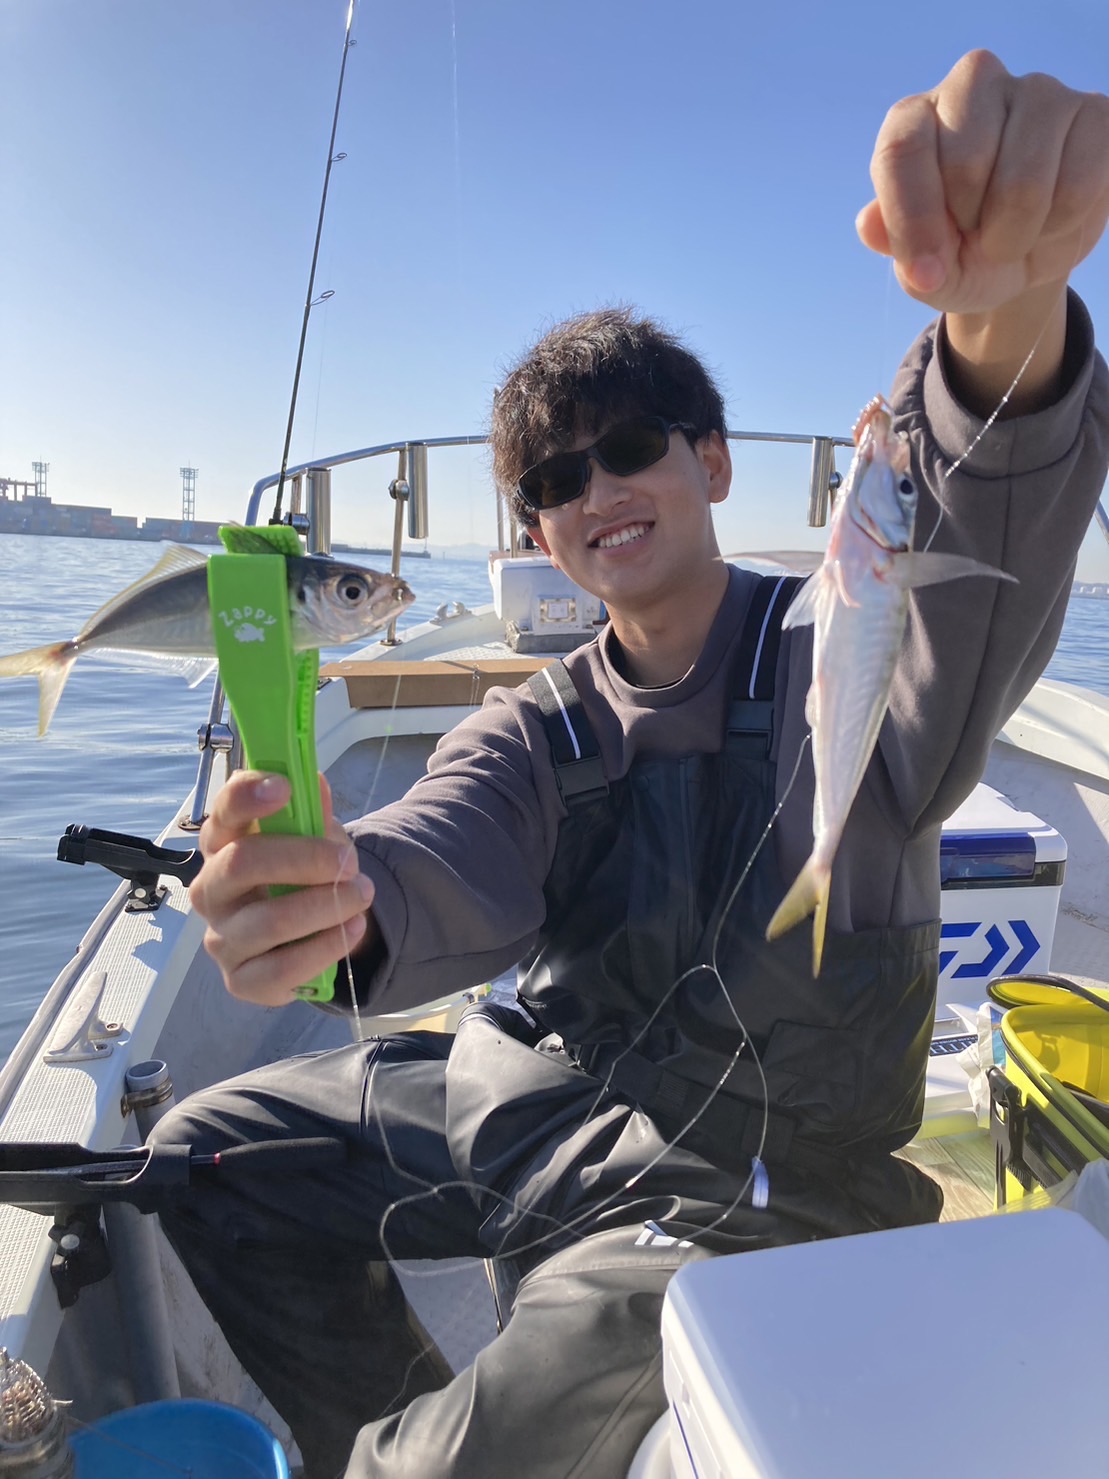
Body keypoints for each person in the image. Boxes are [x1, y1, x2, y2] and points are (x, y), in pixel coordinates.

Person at [153, 50, 1109, 1479]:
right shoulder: (532, 725)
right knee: (210, 1151)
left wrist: (1002, 316)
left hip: (770, 1180)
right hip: (544, 1104)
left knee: (472, 1446)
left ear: (712, 463)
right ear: (536, 532)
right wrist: (332, 908)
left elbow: (982, 557)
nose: (595, 490)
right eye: (551, 480)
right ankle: (387, 1430)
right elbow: (432, 854)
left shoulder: (850, 636)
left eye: (629, 447)